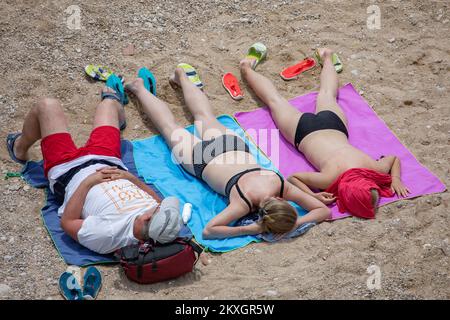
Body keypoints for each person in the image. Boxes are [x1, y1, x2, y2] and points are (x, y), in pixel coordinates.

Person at [125, 65, 330, 240]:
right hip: (203, 160)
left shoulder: (280, 184)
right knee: (169, 126)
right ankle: (139, 88)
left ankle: (181, 76)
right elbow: (209, 231)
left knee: (204, 115)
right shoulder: (243, 203)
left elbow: (323, 210)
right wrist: (250, 229)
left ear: (283, 202)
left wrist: (295, 219)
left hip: (233, 147)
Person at [6, 75, 182, 254]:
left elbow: (68, 223)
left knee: (47, 106)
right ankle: (115, 109)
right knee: (109, 104)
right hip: (107, 159)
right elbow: (159, 201)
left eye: (158, 208)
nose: (159, 205)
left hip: (68, 172)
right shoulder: (157, 220)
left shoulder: (108, 235)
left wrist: (89, 182)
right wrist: (130, 178)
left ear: (146, 218)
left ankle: (19, 147)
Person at [240, 47, 410, 219]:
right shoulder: (330, 179)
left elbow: (393, 158)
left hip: (333, 126)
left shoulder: (373, 169)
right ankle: (246, 67)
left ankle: (327, 56)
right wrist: (312, 196)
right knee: (275, 101)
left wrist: (395, 178)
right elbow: (294, 178)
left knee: (327, 94)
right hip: (304, 133)